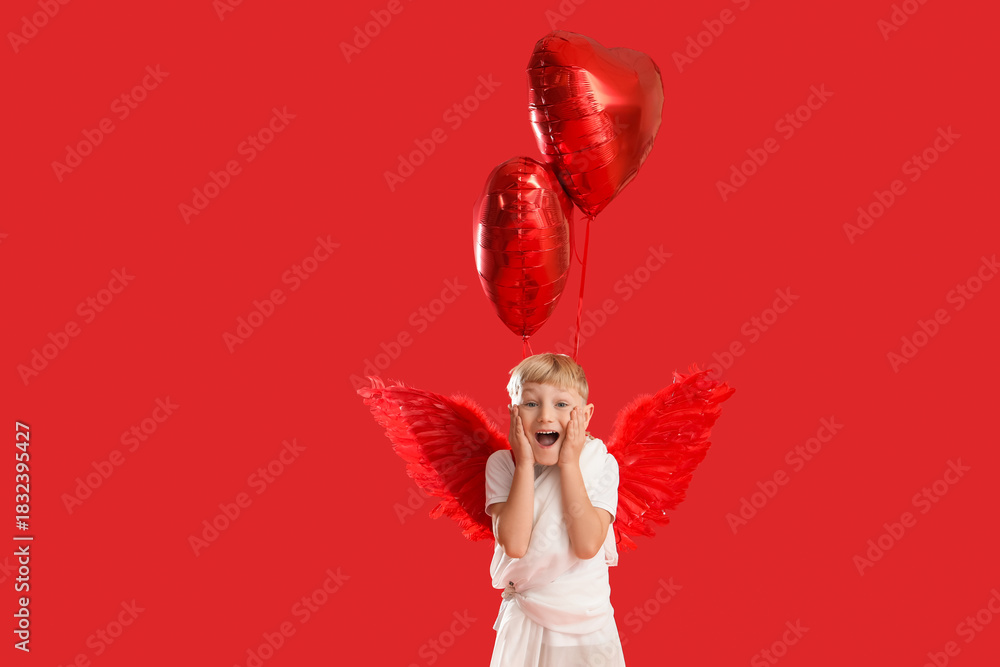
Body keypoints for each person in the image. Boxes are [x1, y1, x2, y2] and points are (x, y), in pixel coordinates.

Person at [485, 353, 626, 666]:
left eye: (561, 404)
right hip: (526, 622)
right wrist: (524, 463)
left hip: (588, 626)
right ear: (512, 412)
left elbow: (588, 545)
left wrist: (569, 464)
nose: (546, 416)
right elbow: (516, 545)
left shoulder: (599, 462)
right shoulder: (502, 465)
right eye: (531, 403)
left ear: (586, 416)